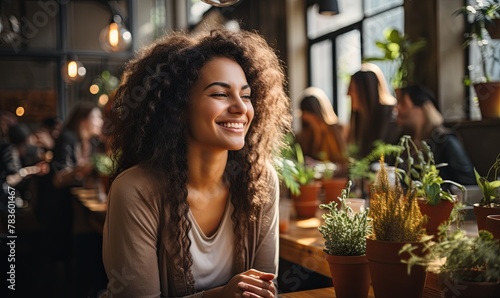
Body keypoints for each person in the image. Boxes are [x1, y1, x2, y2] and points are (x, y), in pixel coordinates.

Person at [102, 28, 291, 297]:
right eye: (220, 94)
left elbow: (263, 290)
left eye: (246, 95)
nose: (241, 108)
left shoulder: (259, 181)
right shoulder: (135, 190)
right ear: (178, 108)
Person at [37, 101, 105, 297]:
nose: (100, 122)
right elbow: (58, 179)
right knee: (86, 237)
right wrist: (81, 168)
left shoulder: (90, 142)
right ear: (84, 120)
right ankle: (64, 285)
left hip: (74, 204)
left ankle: (83, 282)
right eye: (97, 117)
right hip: (59, 205)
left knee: (92, 233)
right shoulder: (68, 138)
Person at [395, 85, 476, 186]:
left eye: (403, 103)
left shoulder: (445, 141)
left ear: (423, 108)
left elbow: (469, 184)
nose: (397, 108)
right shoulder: (404, 142)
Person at [347, 63, 399, 159]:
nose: (348, 94)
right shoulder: (360, 117)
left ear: (366, 91)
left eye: (352, 89)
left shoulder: (390, 116)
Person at [295, 86, 348, 176]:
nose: (304, 117)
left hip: (336, 181)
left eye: (308, 113)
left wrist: (323, 166)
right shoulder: (303, 135)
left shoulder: (339, 131)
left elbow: (346, 164)